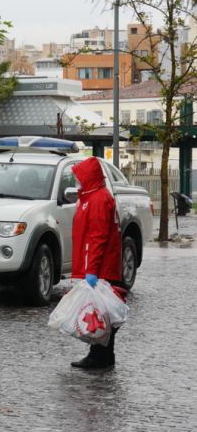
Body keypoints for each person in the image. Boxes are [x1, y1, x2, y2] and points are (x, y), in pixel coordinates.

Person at [69, 157, 125, 369]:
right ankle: (104, 355)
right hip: (100, 265)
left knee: (101, 312)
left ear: (89, 178)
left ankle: (99, 356)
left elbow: (98, 237)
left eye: (79, 178)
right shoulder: (94, 197)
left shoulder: (97, 199)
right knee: (103, 312)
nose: (77, 181)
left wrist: (91, 270)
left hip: (100, 267)